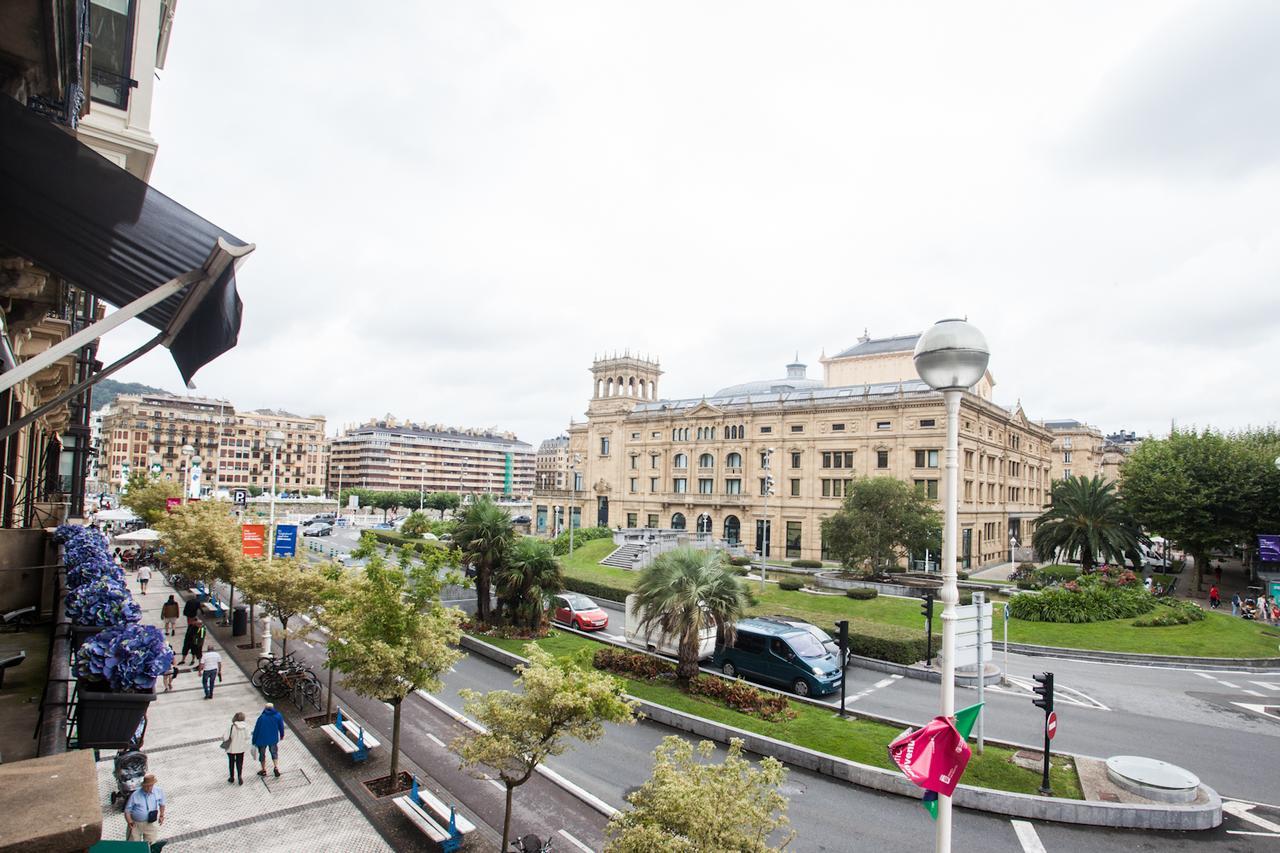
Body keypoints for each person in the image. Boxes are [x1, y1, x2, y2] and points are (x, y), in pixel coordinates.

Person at [124, 773, 165, 845]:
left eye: (150, 786)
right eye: (146, 786)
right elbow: (127, 810)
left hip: (150, 823)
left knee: (151, 844)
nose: (148, 788)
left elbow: (162, 804)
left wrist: (161, 815)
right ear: (143, 785)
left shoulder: (159, 791)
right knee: (133, 845)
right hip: (136, 824)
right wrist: (129, 821)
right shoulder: (135, 794)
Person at [252, 702, 286, 778]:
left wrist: (254, 740)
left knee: (262, 754)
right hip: (273, 738)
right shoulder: (278, 715)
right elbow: (281, 726)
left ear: (265, 708)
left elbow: (256, 730)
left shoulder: (262, 717)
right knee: (274, 753)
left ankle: (263, 770)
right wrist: (282, 735)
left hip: (262, 739)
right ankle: (276, 767)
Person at [223, 711, 250, 784]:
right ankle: (239, 776)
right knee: (240, 762)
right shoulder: (245, 727)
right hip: (241, 748)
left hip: (231, 748)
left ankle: (232, 777)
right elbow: (248, 737)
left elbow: (225, 737)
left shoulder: (231, 727)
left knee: (231, 762)